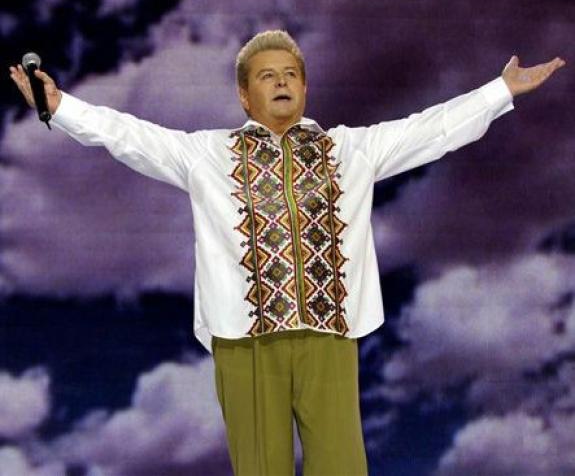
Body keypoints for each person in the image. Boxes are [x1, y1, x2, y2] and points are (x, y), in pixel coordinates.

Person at [9, 30, 565, 476]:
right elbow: (128, 135)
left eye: (291, 74)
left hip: (329, 337)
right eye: (267, 76)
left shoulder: (350, 149)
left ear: (305, 88)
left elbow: (430, 130)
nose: (281, 83)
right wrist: (61, 107)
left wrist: (501, 91)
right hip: (245, 342)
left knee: (342, 468)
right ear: (244, 95)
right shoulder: (207, 154)